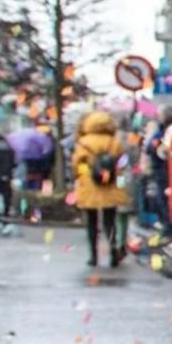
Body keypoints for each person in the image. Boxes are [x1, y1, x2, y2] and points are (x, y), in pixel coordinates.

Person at [71, 110, 130, 268]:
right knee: (110, 222)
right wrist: (115, 176)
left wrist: (85, 175)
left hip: (89, 187)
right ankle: (112, 252)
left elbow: (78, 164)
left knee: (91, 222)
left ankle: (93, 256)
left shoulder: (83, 142)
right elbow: (121, 163)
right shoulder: (114, 142)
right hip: (111, 185)